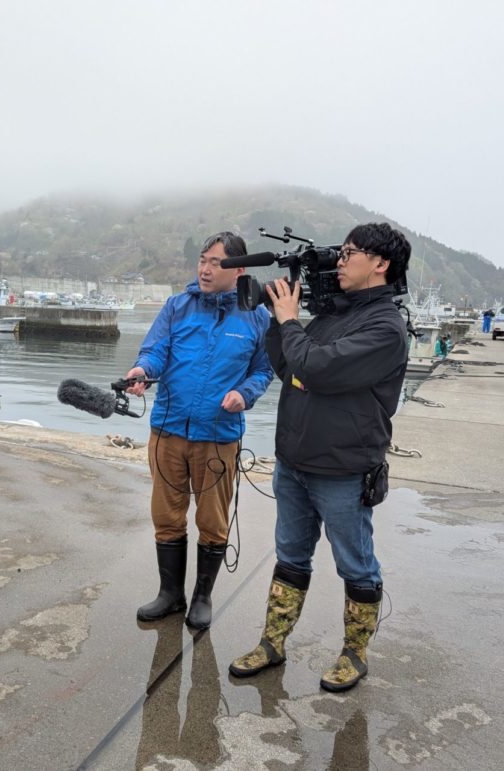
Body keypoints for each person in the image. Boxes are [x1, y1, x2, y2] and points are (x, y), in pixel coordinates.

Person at [229, 222, 410, 692]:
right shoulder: (333, 316)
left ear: (380, 263)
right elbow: (291, 366)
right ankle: (272, 643)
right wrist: (276, 319)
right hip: (295, 460)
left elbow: (316, 367)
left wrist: (292, 325)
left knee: (356, 564)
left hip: (345, 469)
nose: (340, 261)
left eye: (349, 253)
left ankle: (354, 654)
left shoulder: (385, 328)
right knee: (290, 556)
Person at [125, 231, 274, 630]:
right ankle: (170, 593)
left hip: (219, 435)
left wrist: (245, 394)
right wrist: (142, 371)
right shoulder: (177, 306)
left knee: (212, 520)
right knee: (167, 516)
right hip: (168, 430)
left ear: (239, 269)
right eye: (202, 260)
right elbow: (155, 351)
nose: (206, 269)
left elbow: (263, 370)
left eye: (216, 262)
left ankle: (202, 597)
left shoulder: (258, 316)